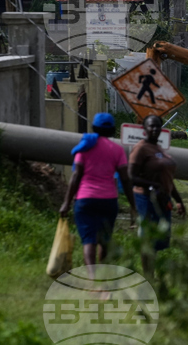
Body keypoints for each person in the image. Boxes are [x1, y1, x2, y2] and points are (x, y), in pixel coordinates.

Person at [59, 113, 136, 277]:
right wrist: (133, 205)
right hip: (108, 201)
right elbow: (125, 179)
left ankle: (92, 277)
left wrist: (66, 202)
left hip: (85, 199)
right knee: (104, 240)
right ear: (113, 130)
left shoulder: (85, 147)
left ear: (94, 128)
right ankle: (102, 274)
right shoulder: (117, 150)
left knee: (89, 240)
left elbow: (76, 176)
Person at [129, 115, 185, 270]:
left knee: (159, 239)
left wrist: (179, 200)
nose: (154, 129)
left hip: (162, 198)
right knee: (148, 238)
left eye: (157, 126)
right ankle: (148, 275)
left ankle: (152, 272)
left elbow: (167, 180)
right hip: (146, 198)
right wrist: (154, 185)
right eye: (151, 126)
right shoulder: (141, 148)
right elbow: (131, 177)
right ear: (144, 129)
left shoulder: (158, 148)